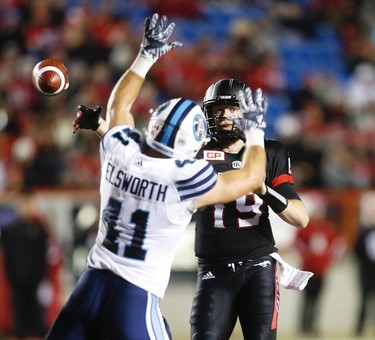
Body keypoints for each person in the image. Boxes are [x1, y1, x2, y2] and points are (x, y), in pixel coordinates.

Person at [46, 13, 267, 339]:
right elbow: (250, 177)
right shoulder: (185, 176)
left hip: (88, 287)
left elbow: (119, 107)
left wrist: (146, 54)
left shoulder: (121, 150)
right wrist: (257, 130)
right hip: (134, 298)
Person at [189, 79, 310, 340]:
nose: (223, 116)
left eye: (231, 109)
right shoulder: (195, 153)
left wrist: (263, 189)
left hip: (259, 265)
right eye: (216, 110)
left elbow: (300, 217)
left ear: (246, 112)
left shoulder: (270, 151)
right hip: (213, 267)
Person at [293, 193, 345, 336]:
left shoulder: (328, 227)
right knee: (306, 299)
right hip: (308, 269)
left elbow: (337, 245)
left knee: (317, 300)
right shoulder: (307, 227)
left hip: (321, 270)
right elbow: (297, 243)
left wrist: (331, 260)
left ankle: (313, 326)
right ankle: (303, 326)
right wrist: (305, 255)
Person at [0, 191, 48, 338]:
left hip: (34, 278)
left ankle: (37, 335)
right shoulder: (11, 230)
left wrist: (40, 275)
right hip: (17, 278)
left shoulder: (39, 229)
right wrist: (11, 275)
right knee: (19, 310)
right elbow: (8, 255)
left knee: (35, 308)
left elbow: (42, 254)